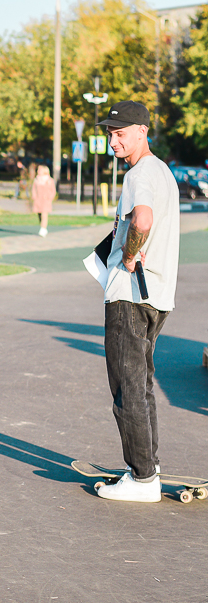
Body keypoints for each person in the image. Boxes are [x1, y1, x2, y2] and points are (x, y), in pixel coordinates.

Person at [94, 100, 179, 502]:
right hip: (156, 296)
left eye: (121, 133)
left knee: (127, 388)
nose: (113, 140)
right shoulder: (163, 172)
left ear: (143, 130)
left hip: (130, 295)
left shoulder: (139, 175)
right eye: (110, 133)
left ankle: (143, 479)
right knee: (141, 384)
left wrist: (128, 255)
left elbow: (141, 221)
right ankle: (149, 467)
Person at [30, 165, 56, 237]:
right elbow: (33, 189)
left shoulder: (50, 180)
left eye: (39, 170)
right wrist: (34, 196)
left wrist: (49, 198)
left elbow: (53, 191)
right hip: (38, 200)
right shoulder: (36, 180)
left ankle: (43, 228)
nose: (38, 171)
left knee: (44, 214)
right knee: (39, 214)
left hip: (46, 200)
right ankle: (42, 226)